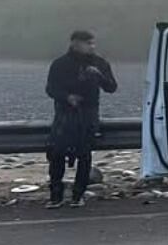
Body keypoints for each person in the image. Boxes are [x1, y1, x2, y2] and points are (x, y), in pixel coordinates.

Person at [44, 30, 117, 208]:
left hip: (88, 113)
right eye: (88, 43)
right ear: (75, 43)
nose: (92, 47)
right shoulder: (60, 64)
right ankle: (55, 195)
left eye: (93, 43)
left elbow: (111, 87)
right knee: (57, 153)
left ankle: (78, 195)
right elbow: (51, 89)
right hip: (65, 113)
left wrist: (99, 75)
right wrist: (67, 97)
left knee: (84, 155)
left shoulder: (99, 63)